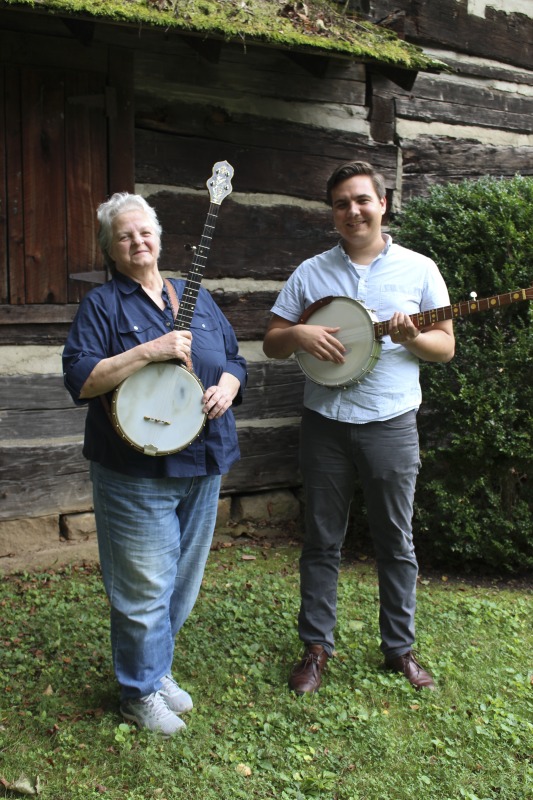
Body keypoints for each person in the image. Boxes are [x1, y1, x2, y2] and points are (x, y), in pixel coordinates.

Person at [263, 161, 455, 694]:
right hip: (324, 423)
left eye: (362, 200)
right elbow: (272, 341)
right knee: (322, 539)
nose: (353, 211)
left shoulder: (419, 270)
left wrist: (413, 337)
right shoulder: (310, 273)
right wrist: (299, 333)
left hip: (391, 422)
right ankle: (316, 648)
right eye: (342, 203)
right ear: (333, 214)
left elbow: (445, 346)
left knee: (396, 541)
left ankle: (400, 650)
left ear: (383, 203)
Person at [63, 192, 247, 735]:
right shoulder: (103, 306)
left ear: (160, 239)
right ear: (110, 250)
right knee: (144, 583)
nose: (138, 241)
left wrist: (230, 386)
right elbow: (82, 379)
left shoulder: (195, 297)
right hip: (134, 469)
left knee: (182, 583)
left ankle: (154, 668)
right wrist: (150, 350)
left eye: (145, 232)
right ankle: (138, 693)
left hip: (204, 460)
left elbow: (233, 357)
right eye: (125, 236)